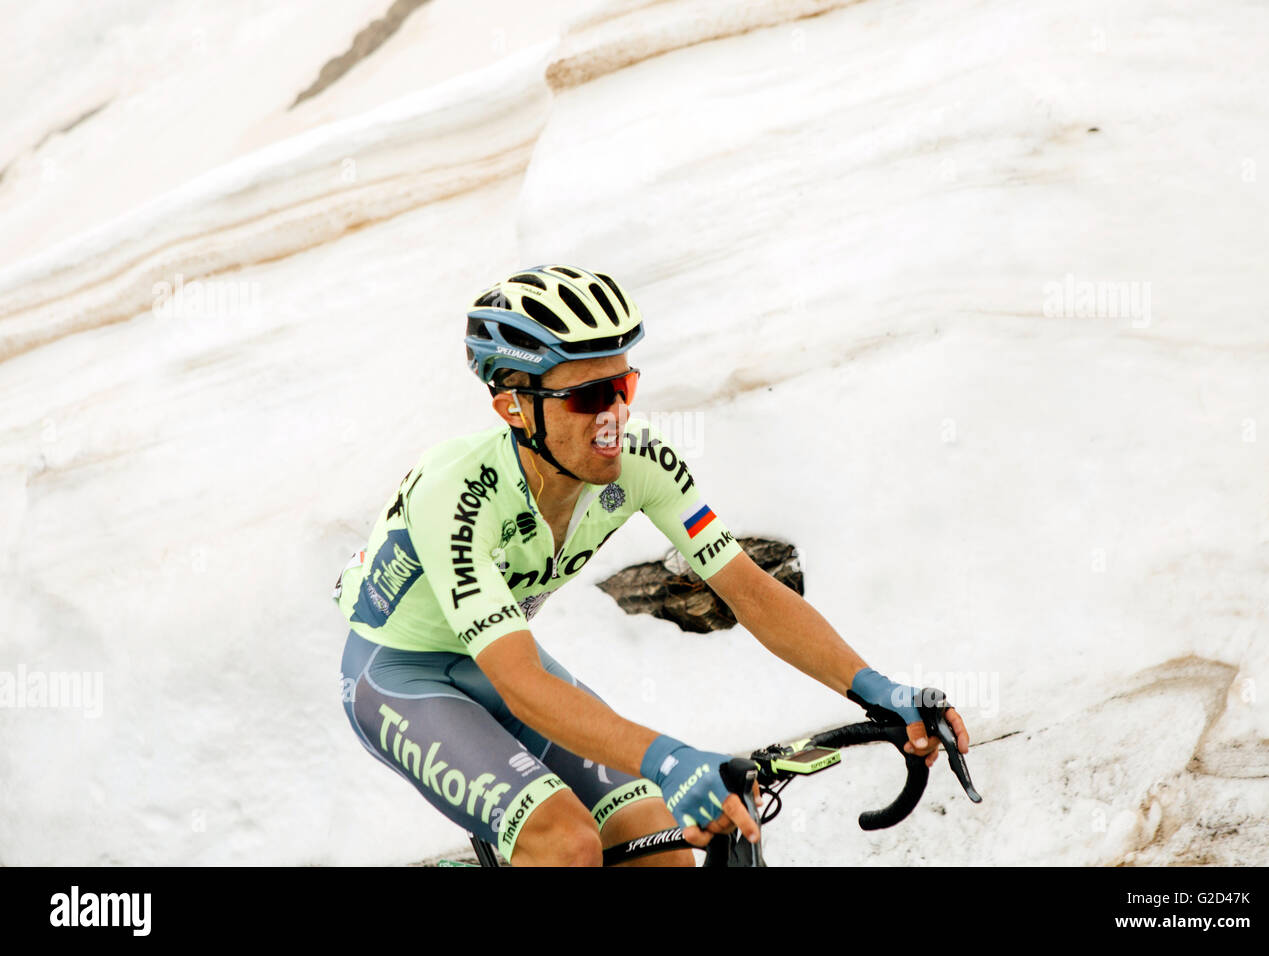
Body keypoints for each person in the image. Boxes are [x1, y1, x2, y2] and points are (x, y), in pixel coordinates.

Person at [334, 264, 970, 866]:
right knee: (564, 842)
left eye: (624, 387)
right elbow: (520, 679)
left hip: (502, 662)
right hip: (402, 678)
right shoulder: (454, 491)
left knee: (660, 841)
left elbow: (749, 591)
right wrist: (667, 759)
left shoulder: (643, 465)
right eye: (589, 397)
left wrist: (877, 690)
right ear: (514, 408)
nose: (615, 416)